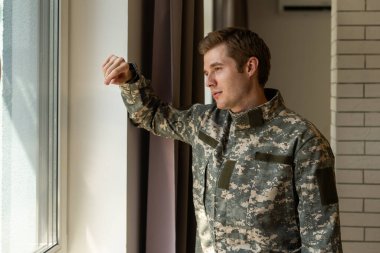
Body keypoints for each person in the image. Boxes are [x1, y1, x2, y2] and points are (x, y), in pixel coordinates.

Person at [102, 27, 342, 252]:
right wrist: (129, 80)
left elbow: (322, 240)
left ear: (250, 67)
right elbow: (153, 116)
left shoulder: (303, 140)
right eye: (207, 73)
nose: (209, 81)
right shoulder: (205, 122)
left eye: (217, 69)